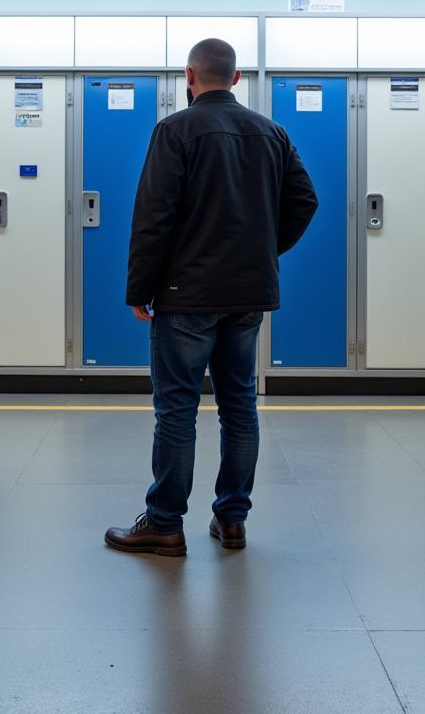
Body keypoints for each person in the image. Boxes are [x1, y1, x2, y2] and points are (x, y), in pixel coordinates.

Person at [106, 38, 318, 556]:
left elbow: (153, 218)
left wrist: (140, 288)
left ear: (189, 76)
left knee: (177, 409)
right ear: (238, 77)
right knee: (239, 404)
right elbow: (304, 202)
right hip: (248, 293)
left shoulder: (174, 130)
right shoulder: (273, 133)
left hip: (185, 296)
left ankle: (164, 523)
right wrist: (264, 251)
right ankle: (233, 519)